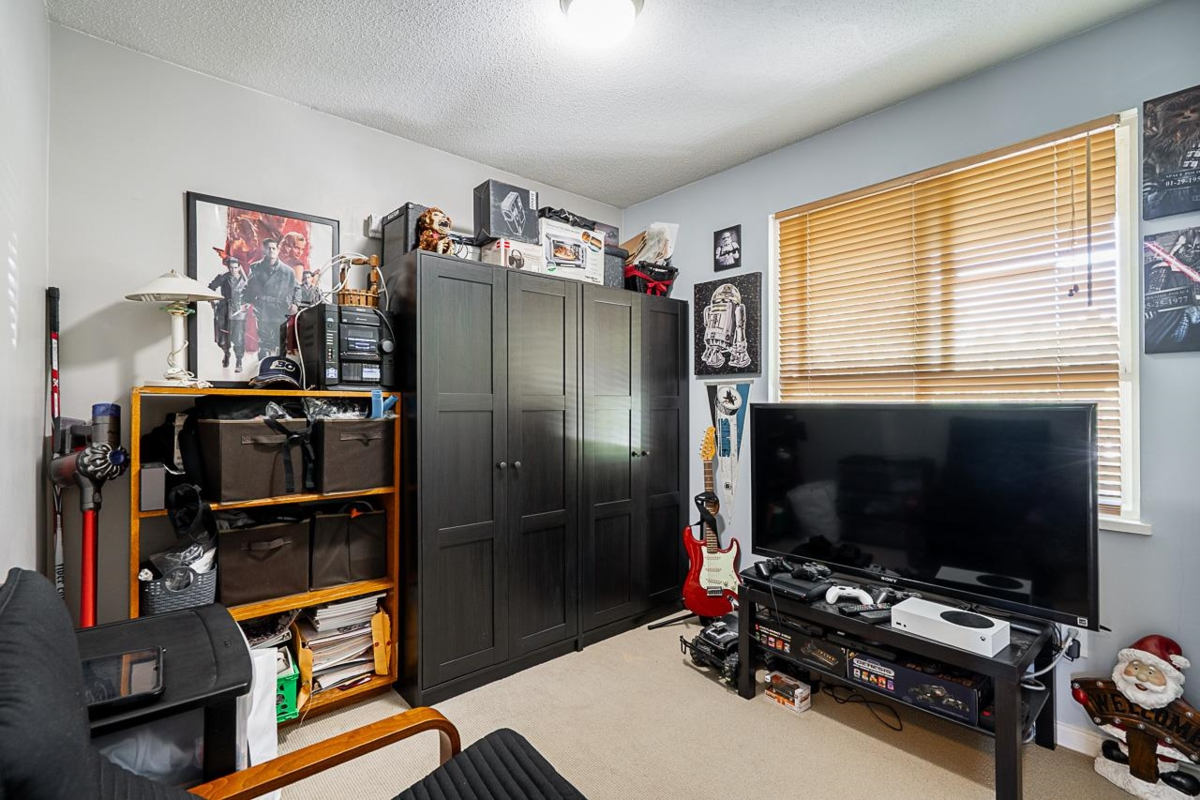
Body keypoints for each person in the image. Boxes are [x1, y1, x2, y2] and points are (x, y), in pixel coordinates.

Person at [245, 239, 297, 355]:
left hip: (280, 309)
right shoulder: (255, 267)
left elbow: (296, 288)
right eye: (268, 248)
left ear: (278, 250)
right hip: (262, 308)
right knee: (264, 341)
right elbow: (249, 286)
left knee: (281, 341)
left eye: (274, 248)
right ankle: (263, 364)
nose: (271, 251)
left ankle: (281, 367)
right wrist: (245, 301)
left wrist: (295, 303)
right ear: (264, 250)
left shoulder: (288, 271)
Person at [208, 255, 249, 372]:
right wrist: (212, 301)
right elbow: (210, 288)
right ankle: (226, 353)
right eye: (231, 268)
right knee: (222, 338)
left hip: (239, 312)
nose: (233, 270)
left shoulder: (245, 280)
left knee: (239, 338)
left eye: (235, 267)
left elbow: (252, 295)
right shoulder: (223, 277)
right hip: (224, 311)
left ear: (239, 267)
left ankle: (239, 361)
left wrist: (247, 304)